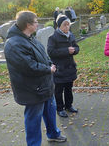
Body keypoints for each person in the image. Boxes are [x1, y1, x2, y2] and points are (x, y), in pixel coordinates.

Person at [4, 11, 67, 146]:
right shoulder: (14, 44)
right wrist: (48, 69)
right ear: (28, 25)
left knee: (50, 113)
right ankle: (34, 144)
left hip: (45, 85)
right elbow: (29, 66)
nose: (38, 24)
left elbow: (43, 55)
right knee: (34, 118)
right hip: (32, 89)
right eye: (36, 22)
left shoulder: (30, 38)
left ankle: (53, 134)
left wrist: (50, 63)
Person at [47, 14, 80, 118]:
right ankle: (60, 108)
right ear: (59, 26)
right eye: (65, 25)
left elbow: (76, 47)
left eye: (68, 25)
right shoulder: (53, 38)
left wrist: (75, 50)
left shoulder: (71, 35)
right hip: (59, 69)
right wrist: (66, 51)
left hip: (70, 67)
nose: (67, 27)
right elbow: (51, 52)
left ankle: (69, 105)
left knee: (69, 89)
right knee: (58, 90)